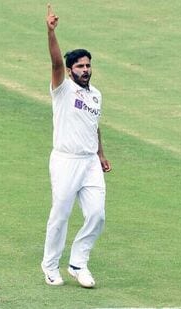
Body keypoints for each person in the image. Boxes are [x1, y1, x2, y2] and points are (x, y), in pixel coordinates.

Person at [41, 4, 112, 288]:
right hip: (65, 160)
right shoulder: (63, 88)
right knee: (61, 213)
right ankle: (50, 266)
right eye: (80, 66)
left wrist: (101, 155)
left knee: (97, 215)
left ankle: (78, 262)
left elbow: (94, 126)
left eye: (88, 65)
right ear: (70, 71)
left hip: (89, 162)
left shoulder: (96, 95)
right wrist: (50, 32)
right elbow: (55, 62)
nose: (85, 70)